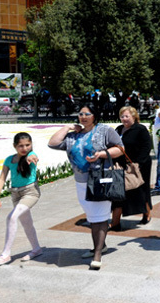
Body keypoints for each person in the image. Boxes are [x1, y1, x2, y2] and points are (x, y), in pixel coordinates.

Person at [48, 103, 123, 270]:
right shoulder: (74, 135)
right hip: (81, 181)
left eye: (87, 114)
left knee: (100, 217)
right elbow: (52, 143)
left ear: (94, 116)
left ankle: (97, 253)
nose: (83, 117)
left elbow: (120, 149)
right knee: (92, 216)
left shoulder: (104, 130)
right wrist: (67, 127)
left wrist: (101, 154)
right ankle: (100, 246)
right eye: (80, 114)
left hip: (100, 179)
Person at [0, 133, 42, 267]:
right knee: (26, 223)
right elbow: (2, 178)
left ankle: (5, 255)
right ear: (15, 146)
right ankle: (36, 249)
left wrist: (31, 157)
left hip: (31, 192)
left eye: (27, 145)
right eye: (21, 146)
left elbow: (33, 157)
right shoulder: (9, 160)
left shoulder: (32, 155)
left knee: (12, 217)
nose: (24, 148)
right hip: (15, 194)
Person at [111, 107, 153, 231]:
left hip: (139, 165)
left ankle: (147, 213)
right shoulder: (119, 129)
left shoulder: (140, 129)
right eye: (122, 116)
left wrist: (138, 163)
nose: (124, 119)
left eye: (127, 116)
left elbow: (147, 147)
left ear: (134, 117)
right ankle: (115, 222)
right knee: (118, 192)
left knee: (141, 190)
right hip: (122, 165)